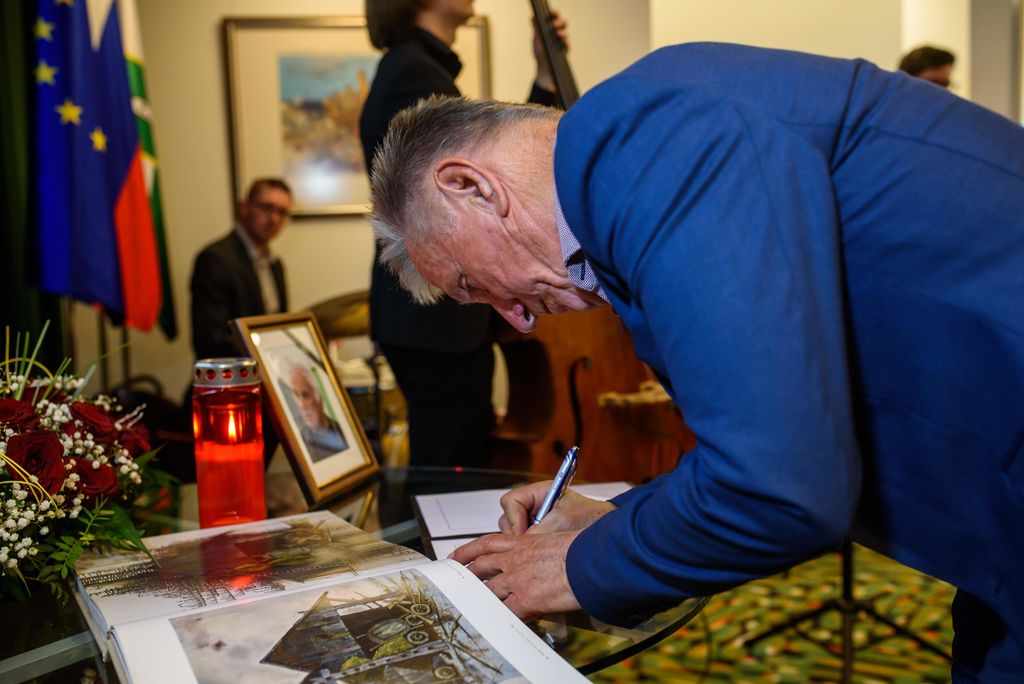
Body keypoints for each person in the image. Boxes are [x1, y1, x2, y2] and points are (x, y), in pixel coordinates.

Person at [368, 43, 1024, 681]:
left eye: (470, 284)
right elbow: (786, 432)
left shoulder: (642, 138)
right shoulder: (641, 153)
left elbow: (776, 486)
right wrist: (619, 518)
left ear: (469, 186)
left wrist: (573, 566)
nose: (516, 319)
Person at [359, 0, 565, 467]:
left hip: (435, 326)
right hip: (436, 323)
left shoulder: (416, 68)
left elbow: (510, 160)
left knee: (452, 456)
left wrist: (546, 75)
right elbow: (507, 168)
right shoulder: (413, 73)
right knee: (449, 469)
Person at [190, 178, 292, 360]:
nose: (274, 218)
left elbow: (279, 325)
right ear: (244, 207)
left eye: (282, 212)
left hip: (267, 368)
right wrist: (265, 352)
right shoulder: (215, 259)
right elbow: (209, 341)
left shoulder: (275, 264)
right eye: (266, 207)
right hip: (234, 373)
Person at [285, 363, 349, 462]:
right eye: (296, 395)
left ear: (320, 399)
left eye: (306, 395)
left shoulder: (343, 433)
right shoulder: (300, 441)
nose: (302, 405)